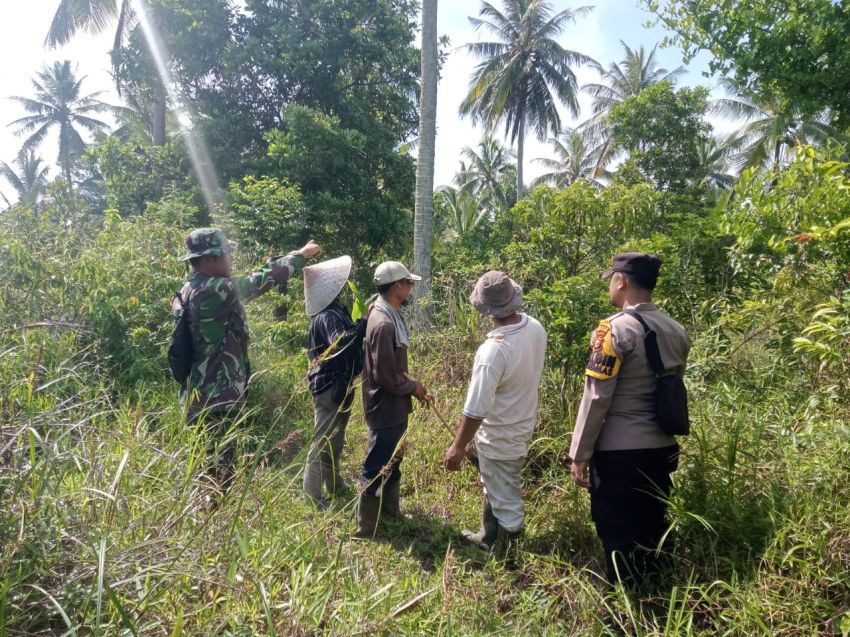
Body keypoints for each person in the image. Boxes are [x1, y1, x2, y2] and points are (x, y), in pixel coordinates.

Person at [569, 252, 690, 587]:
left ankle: (625, 606)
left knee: (618, 534)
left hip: (619, 456)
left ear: (620, 281)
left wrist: (579, 453)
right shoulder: (676, 330)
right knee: (652, 527)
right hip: (662, 448)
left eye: (611, 278)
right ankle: (657, 598)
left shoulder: (613, 331)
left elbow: (596, 398)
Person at [174, 228, 321, 492]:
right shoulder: (215, 291)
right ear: (208, 259)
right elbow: (261, 280)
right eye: (225, 254)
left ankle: (204, 515)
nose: (230, 258)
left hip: (197, 395)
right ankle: (214, 521)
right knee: (219, 475)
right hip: (217, 399)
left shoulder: (188, 289)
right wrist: (300, 256)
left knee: (204, 468)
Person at [443, 271, 547, 550]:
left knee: (506, 498)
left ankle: (510, 556)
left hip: (500, 435)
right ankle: (488, 538)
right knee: (495, 485)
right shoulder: (534, 327)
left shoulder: (493, 352)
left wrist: (458, 447)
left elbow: (476, 409)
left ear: (485, 309)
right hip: (522, 424)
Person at [355, 261, 429, 537]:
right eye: (408, 283)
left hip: (393, 405)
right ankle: (366, 527)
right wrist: (413, 386)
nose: (410, 288)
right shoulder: (384, 323)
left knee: (393, 459)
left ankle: (390, 512)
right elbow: (387, 375)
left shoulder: (383, 312)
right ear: (396, 287)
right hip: (385, 405)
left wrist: (411, 387)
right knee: (376, 465)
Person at [302, 255, 367, 509]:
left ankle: (334, 483)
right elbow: (340, 343)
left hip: (340, 387)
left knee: (335, 439)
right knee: (322, 441)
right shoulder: (328, 315)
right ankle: (312, 494)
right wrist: (361, 324)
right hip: (329, 387)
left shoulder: (334, 311)